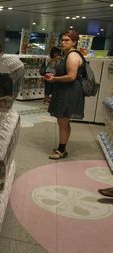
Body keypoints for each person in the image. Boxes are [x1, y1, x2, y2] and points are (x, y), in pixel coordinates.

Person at [44, 30, 85, 160]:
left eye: (67, 40)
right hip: (66, 90)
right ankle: (62, 147)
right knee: (64, 122)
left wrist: (54, 79)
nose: (63, 42)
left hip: (69, 92)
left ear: (74, 42)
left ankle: (61, 150)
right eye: (62, 40)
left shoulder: (72, 56)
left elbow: (71, 76)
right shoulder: (67, 54)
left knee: (62, 121)